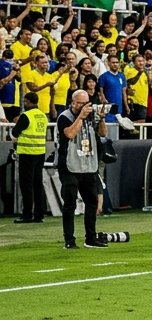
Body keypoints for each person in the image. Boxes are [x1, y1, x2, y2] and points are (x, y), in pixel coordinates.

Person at [56, 89, 107, 249]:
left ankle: (90, 238)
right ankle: (69, 240)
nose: (85, 106)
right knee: (70, 203)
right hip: (69, 165)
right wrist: (80, 116)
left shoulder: (91, 117)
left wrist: (101, 120)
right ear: (73, 103)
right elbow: (69, 134)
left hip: (88, 164)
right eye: (81, 103)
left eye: (87, 103)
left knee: (92, 202)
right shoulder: (65, 117)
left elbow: (103, 134)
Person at [13, 91, 48, 223]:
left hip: (27, 153)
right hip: (40, 152)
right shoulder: (43, 116)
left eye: (25, 101)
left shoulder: (26, 115)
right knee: (37, 184)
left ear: (27, 102)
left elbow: (15, 132)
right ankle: (39, 214)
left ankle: (27, 214)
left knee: (26, 185)